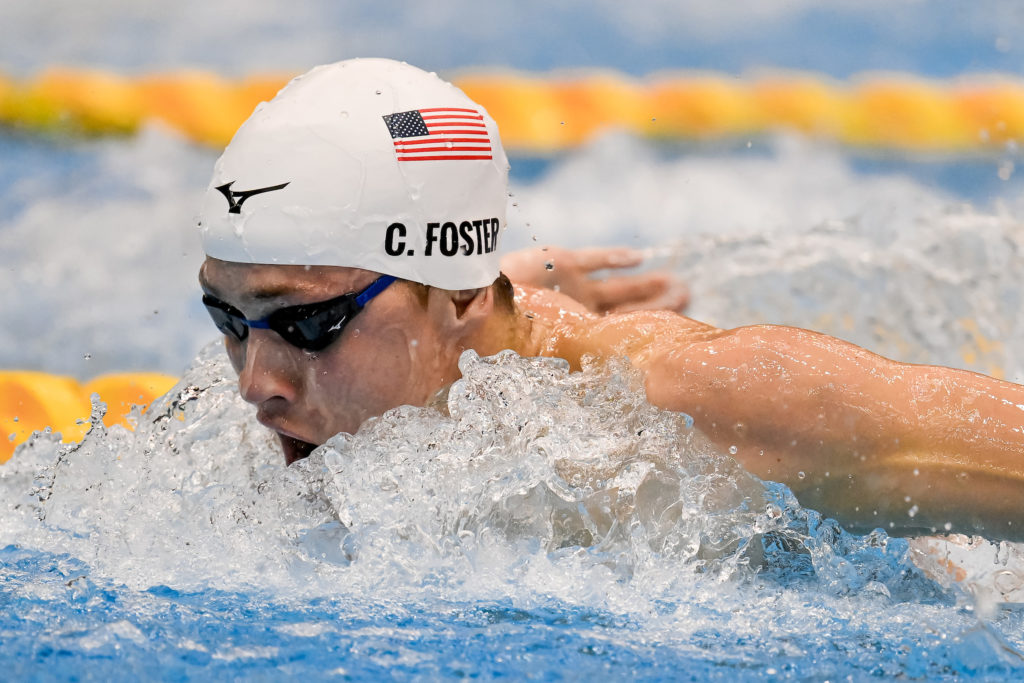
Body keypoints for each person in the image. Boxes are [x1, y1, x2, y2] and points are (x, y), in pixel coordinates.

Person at [197, 58, 1024, 542]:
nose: (254, 381)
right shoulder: (401, 344)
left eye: (308, 323)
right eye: (229, 320)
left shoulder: (695, 404)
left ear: (460, 298)